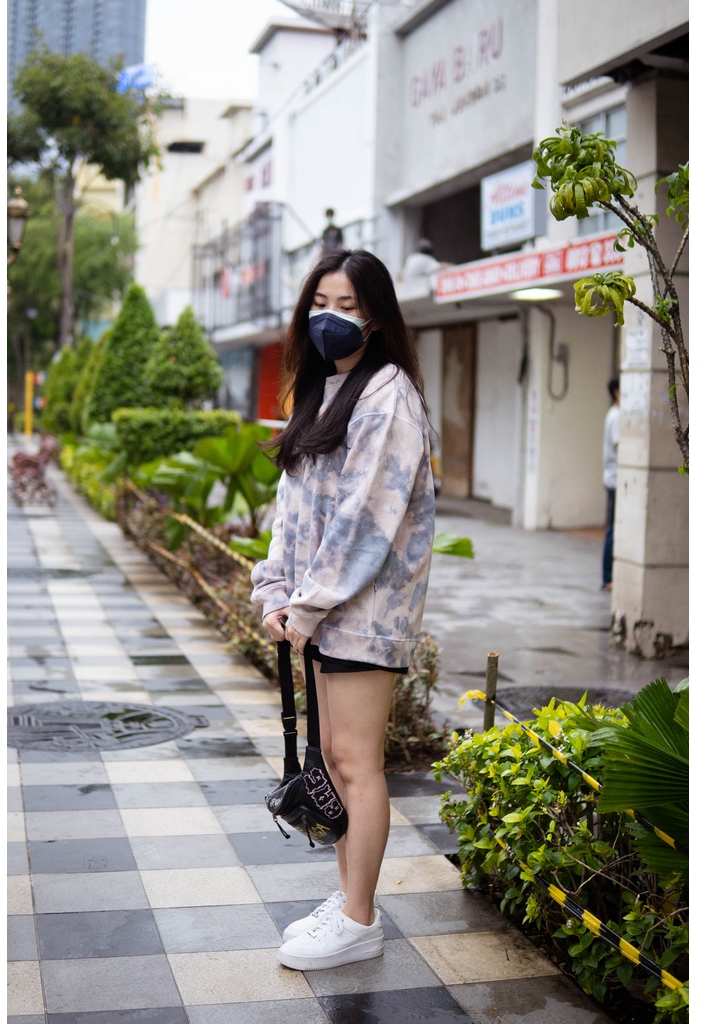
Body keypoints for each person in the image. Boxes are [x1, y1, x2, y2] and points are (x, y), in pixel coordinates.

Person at [250, 248, 436, 971]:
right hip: (325, 613)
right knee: (334, 759)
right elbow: (293, 508)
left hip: (364, 614)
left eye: (349, 306)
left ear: (378, 318)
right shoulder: (326, 390)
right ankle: (350, 900)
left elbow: (365, 519)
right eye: (321, 303)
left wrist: (306, 606)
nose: (331, 318)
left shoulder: (387, 395)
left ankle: (359, 921)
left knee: (357, 764)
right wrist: (276, 591)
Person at [602, 376, 620, 590]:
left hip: (612, 478)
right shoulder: (616, 417)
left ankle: (608, 576)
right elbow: (620, 447)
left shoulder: (613, 414)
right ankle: (608, 577)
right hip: (615, 480)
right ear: (616, 392)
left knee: (613, 529)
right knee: (613, 530)